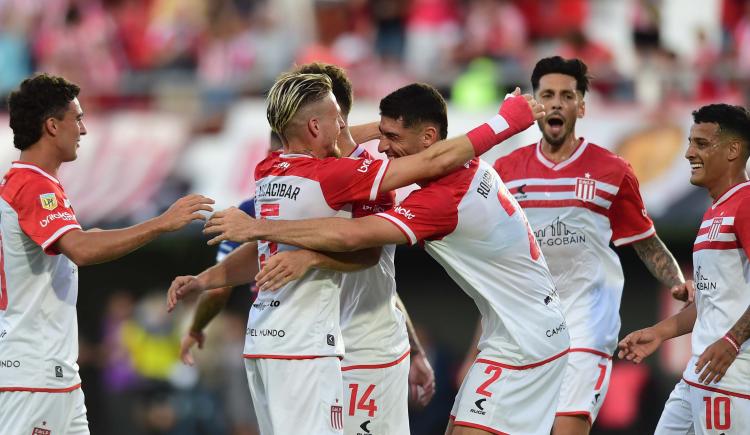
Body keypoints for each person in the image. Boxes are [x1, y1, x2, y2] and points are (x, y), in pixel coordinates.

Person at [197, 82, 570, 435]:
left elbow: (353, 238)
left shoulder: (439, 201)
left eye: (391, 138)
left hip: (527, 340)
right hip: (515, 330)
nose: (382, 148)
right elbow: (364, 150)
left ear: (428, 138)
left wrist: (260, 229)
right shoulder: (462, 173)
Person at [0, 73, 213, 435]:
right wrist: (160, 223)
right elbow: (80, 249)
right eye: (77, 118)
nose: (83, 130)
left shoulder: (37, 182)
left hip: (55, 373)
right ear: (52, 126)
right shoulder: (32, 184)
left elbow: (80, 239)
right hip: (32, 372)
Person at [484, 56, 687, 435]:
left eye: (567, 95)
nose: (557, 103)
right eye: (547, 94)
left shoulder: (613, 170)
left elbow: (645, 240)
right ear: (535, 104)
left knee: (567, 425)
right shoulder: (505, 172)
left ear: (581, 106)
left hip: (586, 320)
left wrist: (675, 281)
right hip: (523, 322)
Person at [618, 103, 750, 434]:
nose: (689, 152)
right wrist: (659, 332)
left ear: (733, 150)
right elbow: (711, 302)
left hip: (730, 374)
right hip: (698, 373)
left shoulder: (747, 203)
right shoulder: (714, 212)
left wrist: (732, 341)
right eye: (690, 142)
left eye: (701, 144)